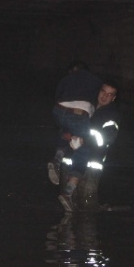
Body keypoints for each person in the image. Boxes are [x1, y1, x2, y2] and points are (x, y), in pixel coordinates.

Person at [49, 61, 103, 212]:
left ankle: (57, 159)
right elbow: (99, 101)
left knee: (65, 131)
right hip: (78, 114)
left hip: (59, 110)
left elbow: (57, 95)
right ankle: (68, 192)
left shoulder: (67, 78)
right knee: (83, 150)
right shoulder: (95, 80)